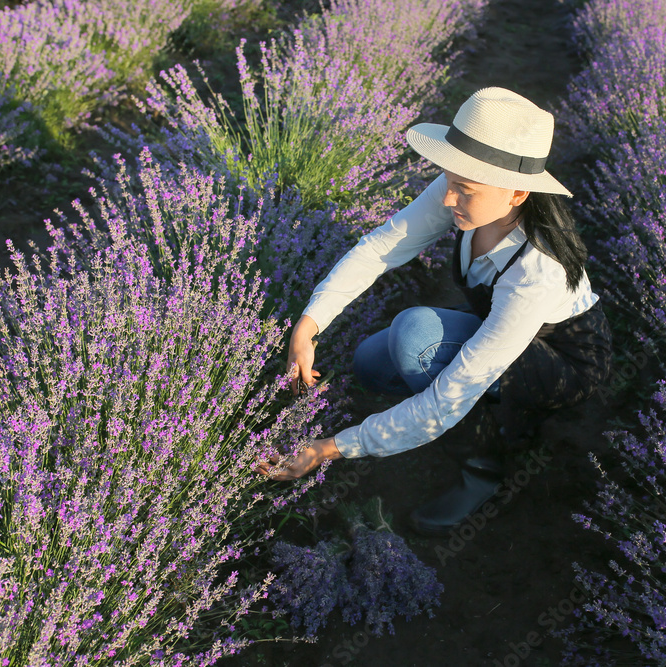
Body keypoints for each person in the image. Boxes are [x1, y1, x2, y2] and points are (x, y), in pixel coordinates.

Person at [256, 87, 612, 535]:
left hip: (563, 360)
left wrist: (327, 449)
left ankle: (485, 468)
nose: (448, 199)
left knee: (417, 340)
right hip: (504, 328)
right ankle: (471, 409)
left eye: (466, 189)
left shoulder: (537, 271)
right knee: (370, 363)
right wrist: (307, 327)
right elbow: (382, 246)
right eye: (449, 179)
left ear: (518, 192)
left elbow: (449, 397)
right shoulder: (465, 188)